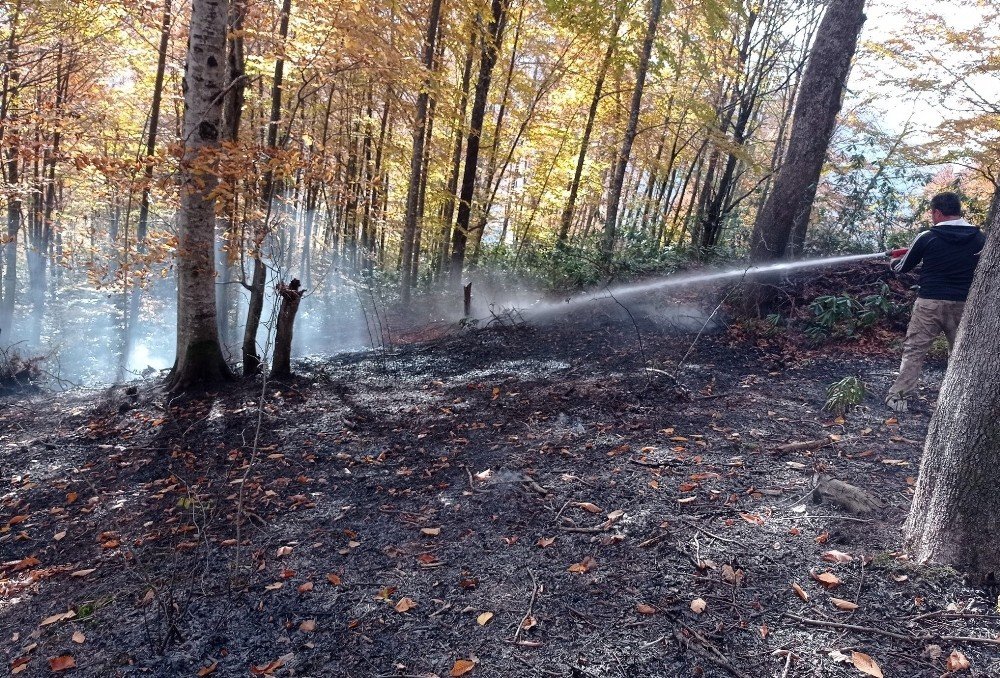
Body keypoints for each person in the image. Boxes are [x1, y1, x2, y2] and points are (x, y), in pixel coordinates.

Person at [885, 191, 986, 412]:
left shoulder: (927, 237)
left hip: (929, 303)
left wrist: (893, 262)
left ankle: (898, 398)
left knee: (915, 350)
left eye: (933, 213)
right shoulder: (981, 239)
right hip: (963, 304)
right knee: (961, 353)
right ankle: (958, 403)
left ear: (938, 212)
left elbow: (903, 268)